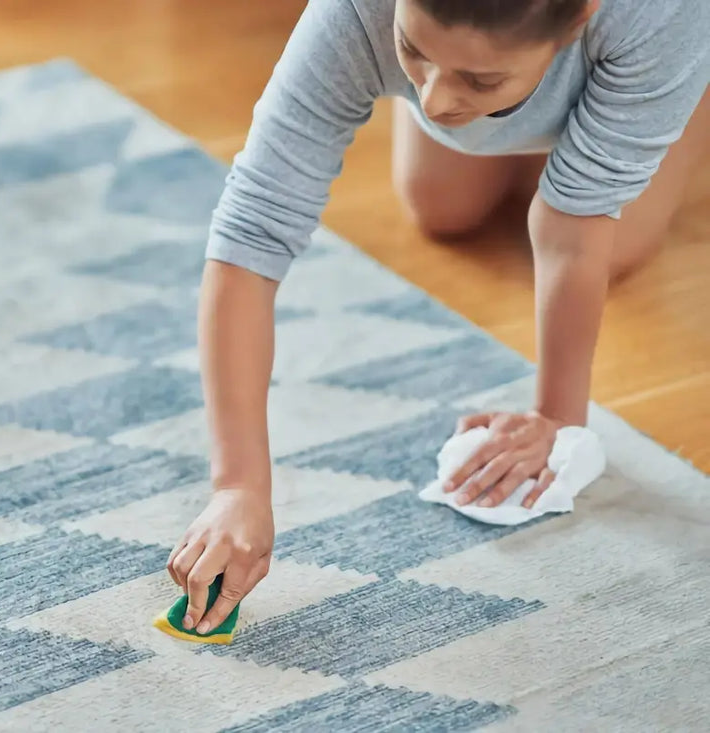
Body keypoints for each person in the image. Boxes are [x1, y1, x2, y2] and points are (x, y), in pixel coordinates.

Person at [166, 0, 709, 636]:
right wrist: (239, 487)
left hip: (643, 49)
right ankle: (511, 96)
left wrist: (557, 418)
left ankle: (642, 97)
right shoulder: (355, 13)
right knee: (443, 210)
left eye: (477, 78)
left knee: (619, 244)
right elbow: (253, 230)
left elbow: (572, 229)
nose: (434, 100)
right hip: (521, 52)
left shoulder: (659, 17)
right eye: (413, 50)